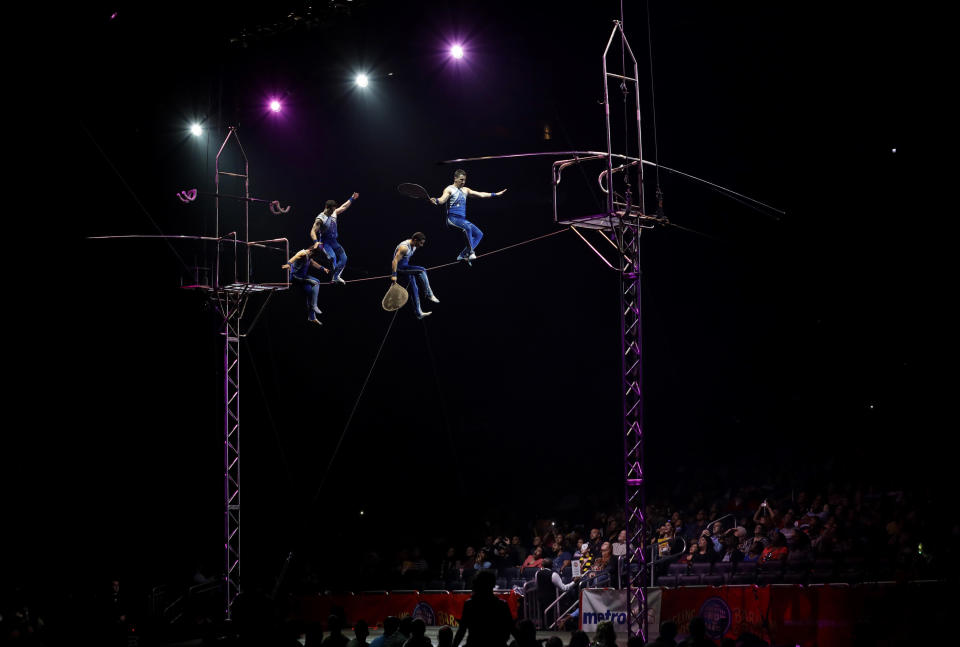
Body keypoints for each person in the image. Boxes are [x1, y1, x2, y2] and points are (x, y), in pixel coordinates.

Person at [431, 169, 506, 263]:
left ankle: (462, 254)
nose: (463, 182)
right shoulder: (449, 189)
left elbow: (481, 194)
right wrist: (436, 200)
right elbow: (442, 200)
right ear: (455, 178)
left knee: (479, 234)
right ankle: (470, 252)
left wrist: (495, 194)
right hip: (452, 219)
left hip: (462, 220)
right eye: (461, 179)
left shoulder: (465, 190)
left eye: (464, 180)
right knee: (467, 228)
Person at [451, 570, 519, 647]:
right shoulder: (502, 604)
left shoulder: (469, 604)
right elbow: (512, 629)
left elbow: (461, 631)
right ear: (493, 585)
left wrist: (454, 645)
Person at [311, 192, 359, 284]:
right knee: (332, 257)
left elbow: (344, 207)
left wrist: (352, 198)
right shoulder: (320, 218)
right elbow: (312, 231)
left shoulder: (334, 212)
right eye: (331, 210)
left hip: (334, 241)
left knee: (344, 258)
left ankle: (336, 276)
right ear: (326, 207)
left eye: (334, 210)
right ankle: (334, 276)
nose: (333, 211)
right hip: (325, 243)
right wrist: (315, 242)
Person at [391, 232, 439, 319]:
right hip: (400, 269)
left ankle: (419, 313)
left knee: (414, 289)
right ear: (415, 240)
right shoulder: (404, 247)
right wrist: (394, 275)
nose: (422, 245)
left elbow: (406, 259)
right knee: (422, 270)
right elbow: (394, 261)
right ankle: (429, 294)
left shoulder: (414, 246)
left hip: (405, 267)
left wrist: (411, 271)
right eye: (421, 243)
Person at [282, 246, 328, 326]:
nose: (312, 258)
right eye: (313, 256)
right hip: (296, 277)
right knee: (317, 282)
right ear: (311, 252)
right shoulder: (303, 253)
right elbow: (294, 257)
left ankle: (312, 317)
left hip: (302, 278)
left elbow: (313, 263)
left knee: (310, 292)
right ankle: (314, 305)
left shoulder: (310, 256)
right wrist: (288, 264)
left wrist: (323, 268)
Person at [536, 557, 579, 629]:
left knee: (543, 617)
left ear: (542, 565)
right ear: (552, 565)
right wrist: (574, 582)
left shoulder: (537, 573)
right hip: (550, 599)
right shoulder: (553, 574)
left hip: (540, 598)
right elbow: (564, 588)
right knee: (549, 618)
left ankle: (545, 628)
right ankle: (550, 629)